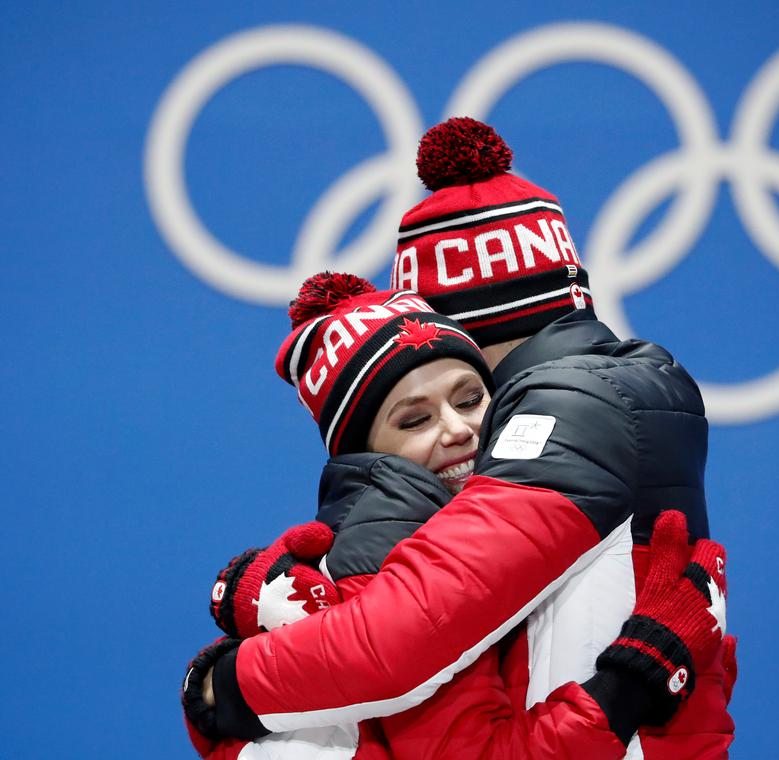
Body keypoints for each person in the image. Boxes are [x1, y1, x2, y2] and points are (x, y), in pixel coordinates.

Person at [183, 117, 734, 758]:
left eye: (471, 396)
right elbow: (407, 656)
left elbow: (403, 640)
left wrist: (223, 685)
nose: (461, 428)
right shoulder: (387, 533)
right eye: (412, 418)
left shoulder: (570, 402)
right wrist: (633, 682)